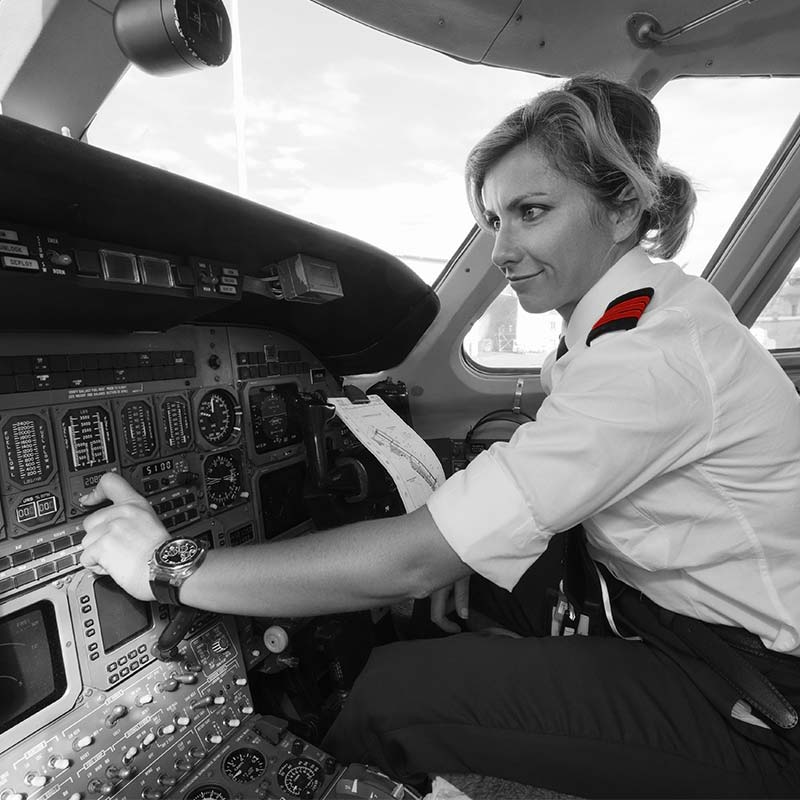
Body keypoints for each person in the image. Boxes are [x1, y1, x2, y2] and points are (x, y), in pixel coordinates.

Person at [79, 76, 800, 798]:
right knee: (452, 587)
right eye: (494, 220)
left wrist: (170, 568)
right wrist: (468, 547)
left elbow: (412, 563)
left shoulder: (652, 353)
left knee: (391, 696)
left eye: (532, 212)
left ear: (621, 210)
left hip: (756, 689)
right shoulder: (638, 320)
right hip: (671, 604)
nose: (501, 250)